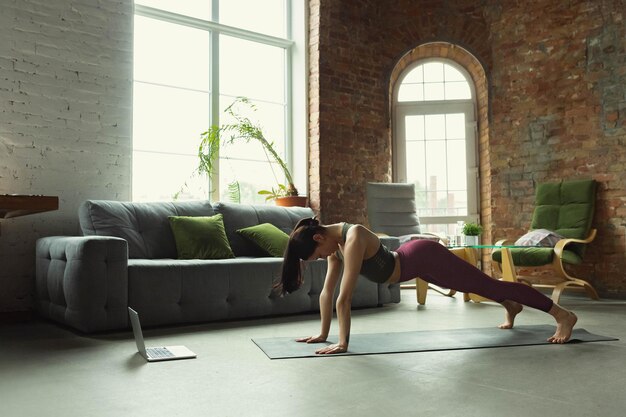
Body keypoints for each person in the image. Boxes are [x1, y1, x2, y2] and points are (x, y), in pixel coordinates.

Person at [276, 218, 578, 355]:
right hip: (411, 266)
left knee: (486, 284)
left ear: (318, 239)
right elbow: (328, 292)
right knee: (479, 288)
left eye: (318, 254)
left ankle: (562, 314)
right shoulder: (335, 244)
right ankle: (510, 306)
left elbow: (344, 297)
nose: (323, 258)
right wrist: (323, 334)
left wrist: (343, 344)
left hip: (422, 258)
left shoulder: (352, 237)